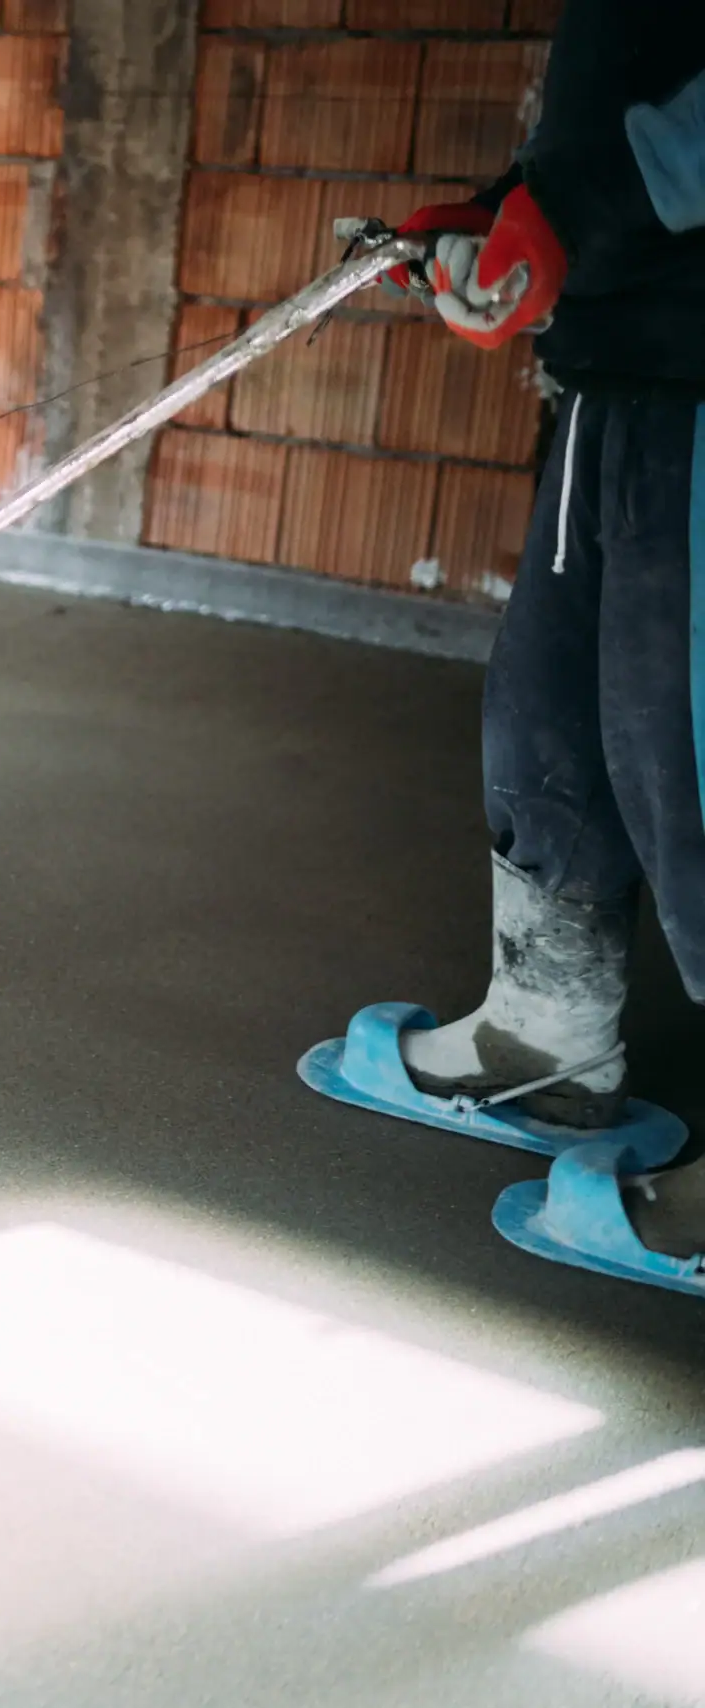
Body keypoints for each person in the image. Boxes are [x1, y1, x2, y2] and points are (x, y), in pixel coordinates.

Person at [300, 3, 705, 1294]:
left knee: (690, 761)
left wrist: (579, 203)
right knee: (560, 723)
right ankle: (546, 1037)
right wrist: (512, 207)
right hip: (631, 371)